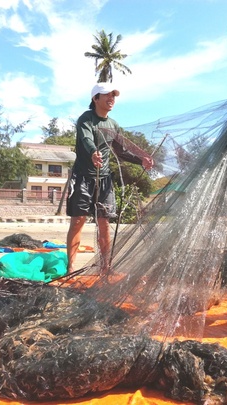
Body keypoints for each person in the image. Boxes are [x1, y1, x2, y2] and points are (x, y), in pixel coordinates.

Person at [66, 82, 154, 275]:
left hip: (104, 178)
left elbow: (121, 151)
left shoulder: (113, 125)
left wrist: (141, 160)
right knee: (78, 220)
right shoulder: (86, 119)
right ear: (95, 98)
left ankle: (106, 266)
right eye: (107, 95)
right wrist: (93, 153)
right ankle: (70, 267)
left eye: (113, 95)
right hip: (83, 177)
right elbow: (86, 139)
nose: (111, 98)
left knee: (104, 222)